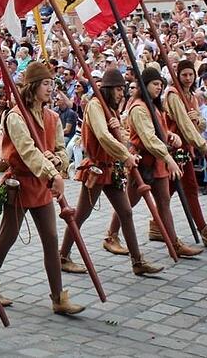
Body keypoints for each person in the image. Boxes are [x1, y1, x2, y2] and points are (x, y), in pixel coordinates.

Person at [0, 62, 84, 315]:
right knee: (8, 236)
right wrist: (53, 173)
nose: (51, 88)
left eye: (52, 83)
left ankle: (58, 297)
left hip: (42, 185)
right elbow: (28, 152)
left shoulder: (53, 117)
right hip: (21, 183)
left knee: (51, 238)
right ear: (33, 86)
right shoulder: (16, 116)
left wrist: (58, 162)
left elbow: (61, 149)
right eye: (46, 83)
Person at [109, 60, 207, 248]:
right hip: (152, 159)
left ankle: (174, 241)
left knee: (167, 198)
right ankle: (112, 235)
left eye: (159, 84)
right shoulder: (148, 104)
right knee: (129, 202)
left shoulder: (162, 104)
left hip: (164, 157)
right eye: (154, 84)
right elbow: (151, 137)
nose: (158, 88)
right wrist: (193, 146)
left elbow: (171, 128)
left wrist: (176, 133)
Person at [58, 68, 162, 276]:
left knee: (126, 212)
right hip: (97, 168)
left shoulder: (110, 110)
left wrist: (126, 147)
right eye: (117, 89)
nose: (120, 94)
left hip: (111, 169)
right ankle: (62, 256)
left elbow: (119, 135)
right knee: (81, 215)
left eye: (122, 89)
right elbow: (103, 137)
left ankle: (137, 261)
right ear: (107, 89)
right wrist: (125, 156)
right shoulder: (96, 105)